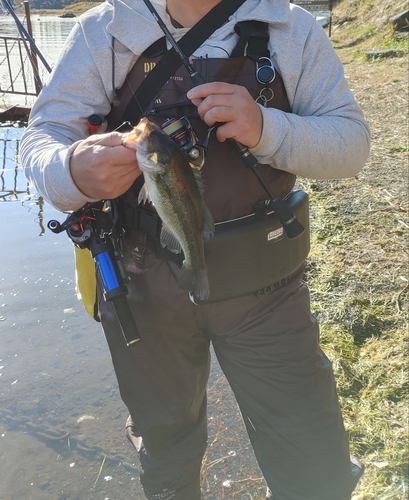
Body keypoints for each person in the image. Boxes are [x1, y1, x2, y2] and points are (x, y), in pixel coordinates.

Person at [21, 0, 371, 498]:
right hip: (141, 287)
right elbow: (41, 138)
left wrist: (266, 128)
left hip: (267, 288)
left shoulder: (289, 27)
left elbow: (351, 145)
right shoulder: (104, 31)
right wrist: (70, 171)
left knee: (312, 456)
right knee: (167, 453)